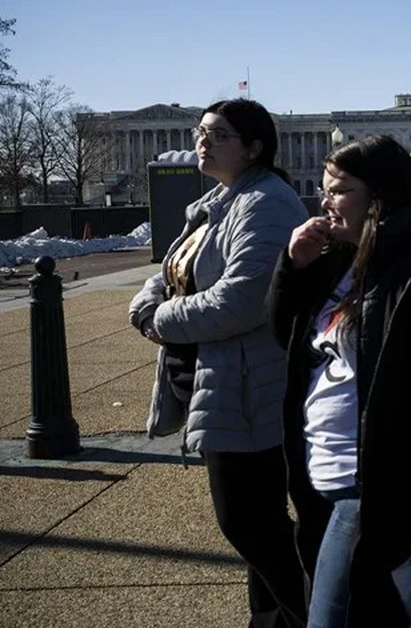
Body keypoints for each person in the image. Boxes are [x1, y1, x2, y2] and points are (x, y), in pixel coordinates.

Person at [268, 134, 411, 626]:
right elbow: (285, 339)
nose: (323, 200)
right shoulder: (339, 259)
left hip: (371, 483)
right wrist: (292, 268)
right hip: (325, 477)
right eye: (325, 189)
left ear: (377, 198)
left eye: (338, 190)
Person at [129, 98, 309, 626]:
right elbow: (172, 269)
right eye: (201, 131)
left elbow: (241, 300)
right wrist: (149, 306)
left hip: (254, 383)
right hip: (223, 378)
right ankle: (270, 617)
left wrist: (159, 320)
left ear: (253, 147)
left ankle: (313, 614)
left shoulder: (266, 203)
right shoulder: (221, 200)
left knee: (248, 523)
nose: (203, 141)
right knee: (262, 521)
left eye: (220, 134)